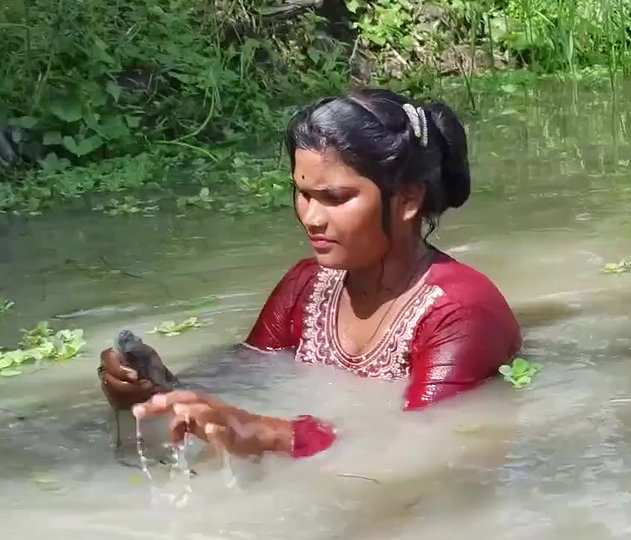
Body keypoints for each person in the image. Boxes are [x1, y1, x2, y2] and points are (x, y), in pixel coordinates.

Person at [97, 88, 522, 459]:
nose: (312, 218)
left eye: (335, 198)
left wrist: (268, 434)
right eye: (303, 194)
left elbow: (418, 443)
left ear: (408, 199)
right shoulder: (307, 285)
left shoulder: (460, 313)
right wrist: (156, 388)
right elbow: (247, 378)